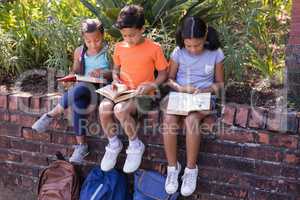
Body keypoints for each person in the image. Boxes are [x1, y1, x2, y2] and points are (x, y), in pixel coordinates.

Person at [99, 5, 168, 174]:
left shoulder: (154, 48)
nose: (128, 39)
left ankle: (135, 145)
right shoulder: (120, 47)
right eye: (124, 35)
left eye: (132, 35)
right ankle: (114, 144)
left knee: (120, 110)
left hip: (144, 94)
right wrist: (115, 79)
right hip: (122, 91)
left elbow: (163, 74)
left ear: (142, 29)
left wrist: (151, 85)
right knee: (103, 108)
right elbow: (116, 69)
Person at [32, 18, 111, 164]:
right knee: (77, 104)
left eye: (97, 40)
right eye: (89, 41)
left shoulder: (109, 50)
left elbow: (115, 72)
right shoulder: (79, 52)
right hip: (84, 89)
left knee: (82, 87)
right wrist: (73, 73)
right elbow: (75, 71)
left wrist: (103, 72)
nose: (93, 44)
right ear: (83, 39)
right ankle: (82, 146)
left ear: (103, 35)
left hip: (102, 90)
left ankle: (51, 114)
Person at [162, 16, 224, 196]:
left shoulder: (215, 53)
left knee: (192, 120)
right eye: (188, 45)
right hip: (181, 95)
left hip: (203, 97)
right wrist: (181, 88)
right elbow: (169, 80)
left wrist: (205, 89)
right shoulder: (178, 52)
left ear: (205, 36)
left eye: (197, 45)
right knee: (169, 119)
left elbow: (220, 84)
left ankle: (190, 170)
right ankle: (172, 168)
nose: (192, 49)